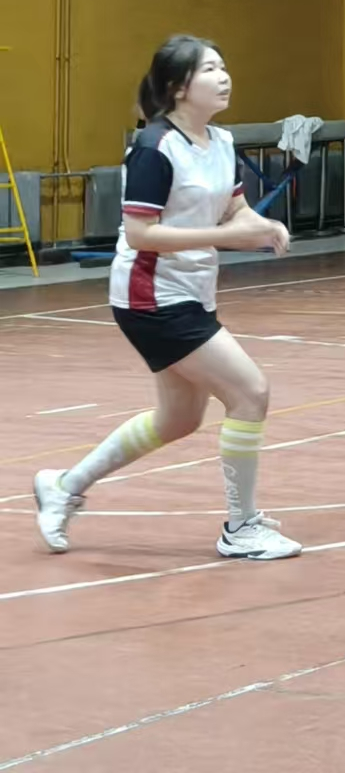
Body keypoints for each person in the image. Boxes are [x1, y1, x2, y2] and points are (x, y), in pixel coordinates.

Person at [33, 36, 301, 560]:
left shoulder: (221, 142)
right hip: (151, 296)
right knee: (250, 392)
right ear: (179, 86)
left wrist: (262, 224)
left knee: (178, 419)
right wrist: (228, 237)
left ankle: (63, 486)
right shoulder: (154, 148)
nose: (224, 76)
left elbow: (234, 209)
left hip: (192, 291)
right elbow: (141, 234)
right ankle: (241, 527)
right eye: (210, 69)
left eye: (224, 66)